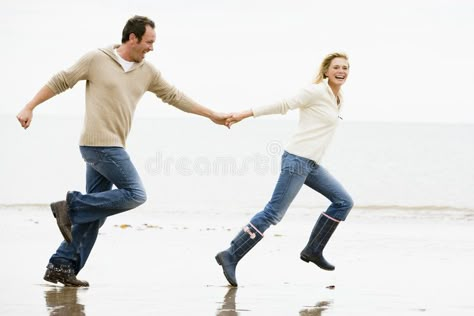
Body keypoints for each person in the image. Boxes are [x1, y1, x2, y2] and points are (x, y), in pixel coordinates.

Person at [17, 15, 229, 287]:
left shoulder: (147, 72)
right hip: (99, 145)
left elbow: (174, 96)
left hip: (112, 144)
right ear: (133, 38)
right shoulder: (97, 59)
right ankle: (71, 206)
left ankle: (61, 265)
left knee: (97, 214)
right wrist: (29, 106)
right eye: (149, 42)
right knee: (135, 194)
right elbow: (62, 80)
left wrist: (211, 114)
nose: (152, 48)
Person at [215, 53, 354, 287]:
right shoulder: (316, 91)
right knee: (273, 213)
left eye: (346, 68)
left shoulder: (337, 97)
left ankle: (313, 249)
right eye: (337, 67)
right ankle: (231, 254)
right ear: (326, 71)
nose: (342, 71)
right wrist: (243, 114)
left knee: (343, 201)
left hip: (311, 164)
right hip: (297, 160)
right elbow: (283, 104)